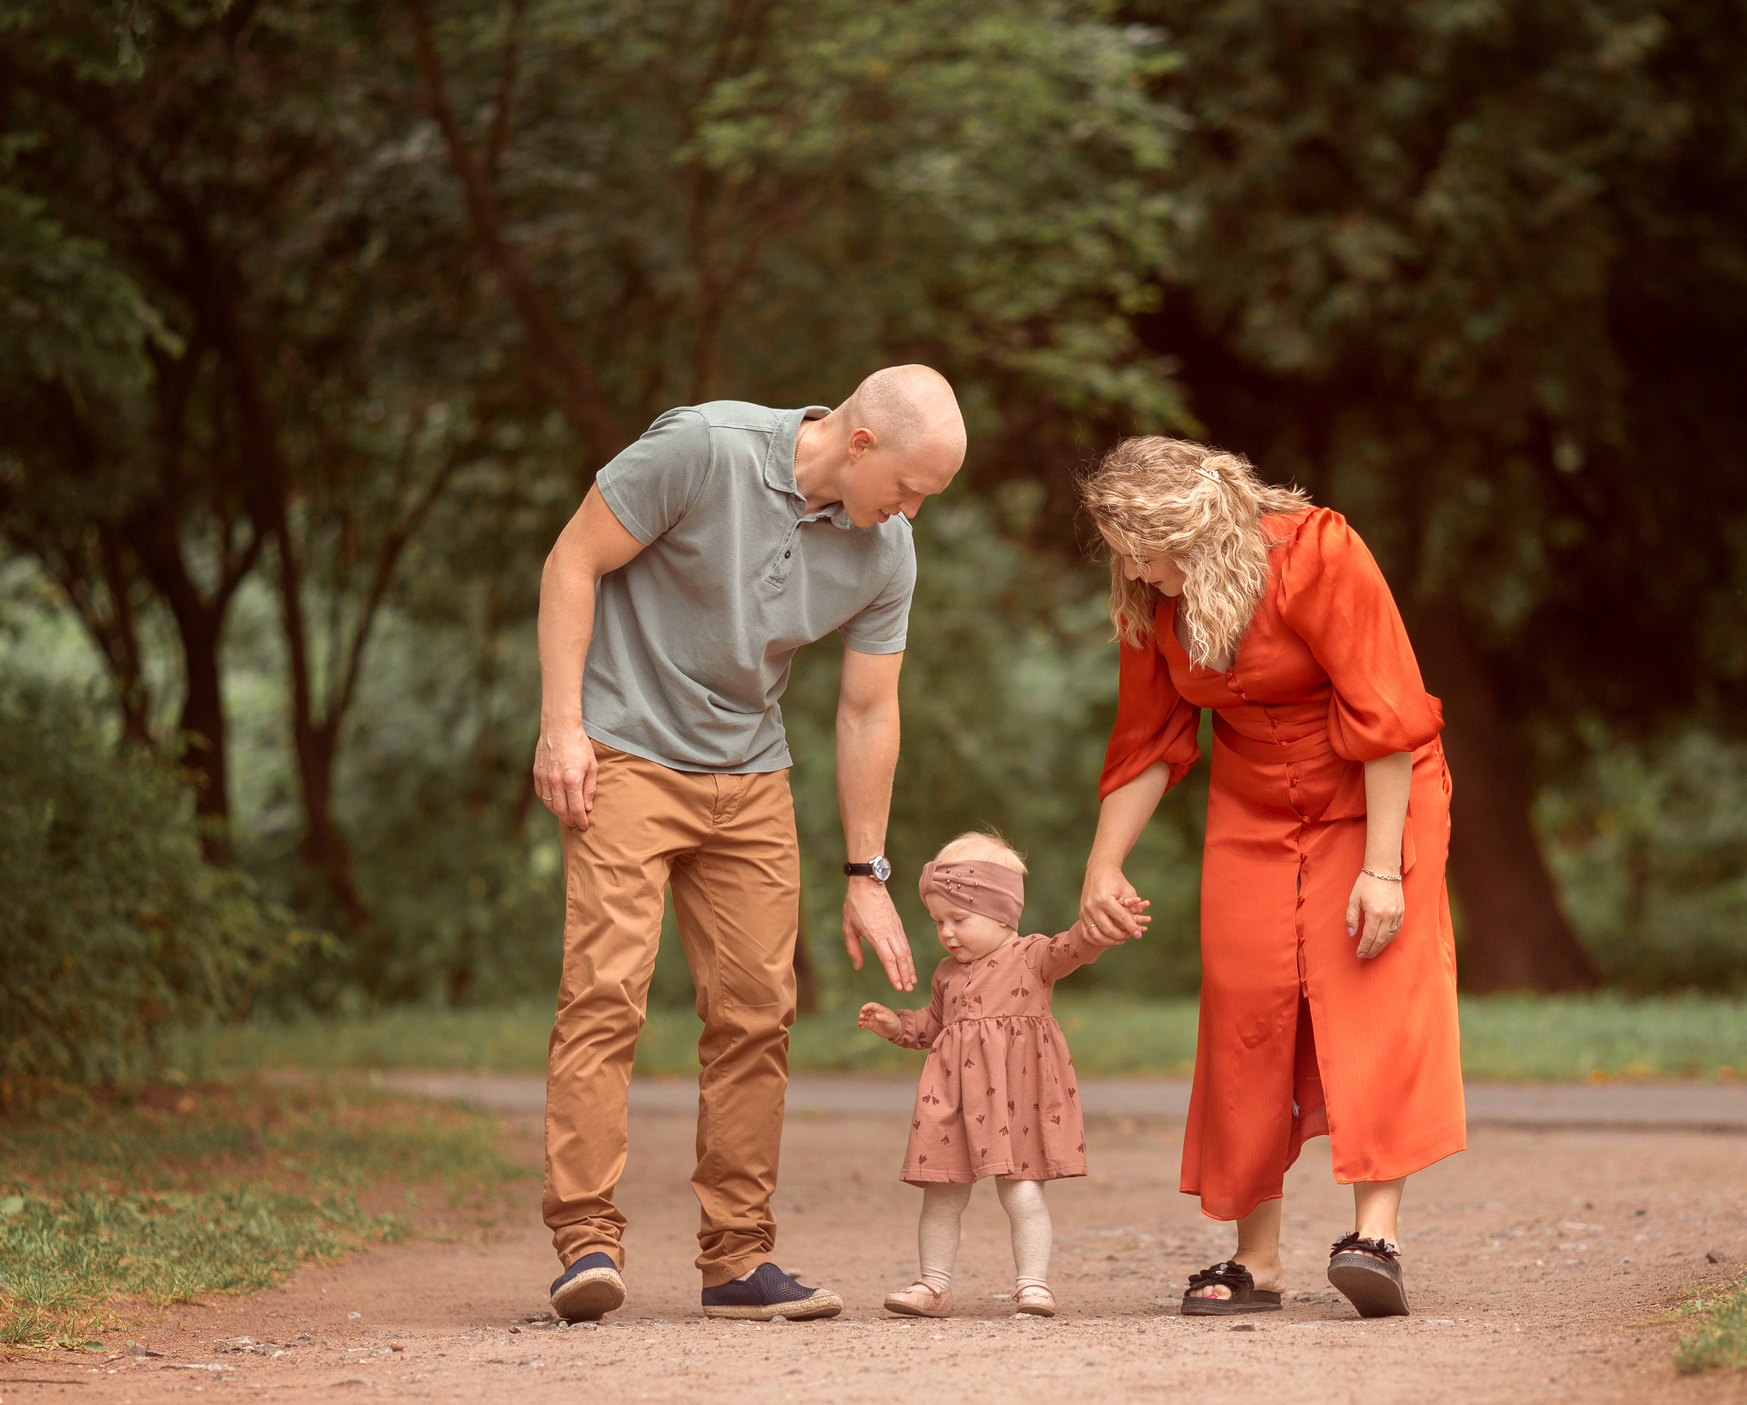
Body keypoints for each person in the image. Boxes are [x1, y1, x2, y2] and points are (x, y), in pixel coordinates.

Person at [529, 365, 967, 1324]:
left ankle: (737, 1259)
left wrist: (867, 872)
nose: (912, 512)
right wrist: (563, 727)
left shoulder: (885, 549)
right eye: (908, 486)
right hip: (626, 750)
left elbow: (867, 710)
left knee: (757, 1012)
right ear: (859, 444)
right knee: (606, 990)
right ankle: (587, 1242)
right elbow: (574, 561)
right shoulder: (705, 449)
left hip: (752, 774)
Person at [1074, 436, 1466, 1319]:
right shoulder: (1156, 600)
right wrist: (1104, 864)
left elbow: (1388, 713)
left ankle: (1376, 1238)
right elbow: (1149, 737)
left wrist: (1382, 870)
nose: (1131, 569)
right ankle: (1257, 1261)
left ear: (1191, 528)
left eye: (1142, 548)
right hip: (1253, 807)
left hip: (1376, 793)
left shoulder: (1316, 553)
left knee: (1369, 985)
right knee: (1246, 1001)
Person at [856, 831, 1145, 1319]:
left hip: (1018, 1101)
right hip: (953, 1101)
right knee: (941, 1194)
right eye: (937, 922)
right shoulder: (947, 973)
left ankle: (1033, 1284)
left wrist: (1100, 929)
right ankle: (934, 1284)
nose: (946, 933)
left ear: (1002, 912)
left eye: (959, 919)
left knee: (1023, 1192)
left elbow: (1073, 947)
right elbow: (934, 1025)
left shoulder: (1032, 956)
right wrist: (896, 1025)